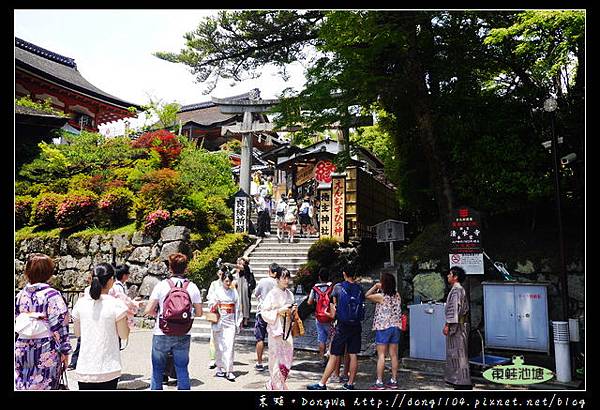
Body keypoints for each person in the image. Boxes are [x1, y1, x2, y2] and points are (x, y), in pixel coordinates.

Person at [144, 253, 203, 390]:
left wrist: (159, 314)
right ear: (186, 268)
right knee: (182, 368)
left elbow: (148, 310)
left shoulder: (161, 286)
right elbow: (199, 312)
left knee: (157, 370)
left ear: (170, 268)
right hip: (183, 332)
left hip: (161, 332)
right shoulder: (192, 287)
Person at [15, 253, 72, 390]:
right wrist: (65, 350)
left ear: (28, 272)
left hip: (21, 346)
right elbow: (60, 324)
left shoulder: (20, 295)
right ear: (48, 273)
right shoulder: (52, 295)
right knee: (45, 383)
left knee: (23, 384)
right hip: (45, 347)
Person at [71, 263, 129, 390]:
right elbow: (124, 335)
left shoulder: (81, 304)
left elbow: (77, 333)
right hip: (108, 367)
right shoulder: (116, 305)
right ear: (111, 281)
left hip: (85, 366)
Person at [307, 263, 365, 390]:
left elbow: (333, 314)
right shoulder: (360, 289)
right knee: (353, 354)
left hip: (342, 326)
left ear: (344, 274)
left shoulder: (338, 288)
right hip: (356, 325)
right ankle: (350, 384)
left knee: (334, 354)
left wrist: (327, 313)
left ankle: (322, 383)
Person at [260, 268, 296, 390]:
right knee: (275, 359)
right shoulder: (272, 294)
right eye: (283, 277)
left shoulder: (290, 294)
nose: (286, 280)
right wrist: (278, 311)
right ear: (277, 279)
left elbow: (292, 313)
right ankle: (277, 386)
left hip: (287, 330)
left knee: (287, 359)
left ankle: (273, 383)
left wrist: (292, 310)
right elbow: (264, 312)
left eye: (287, 277)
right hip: (276, 330)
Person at [365, 272, 402, 390]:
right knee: (394, 355)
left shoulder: (381, 296)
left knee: (381, 355)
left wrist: (375, 286)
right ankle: (394, 380)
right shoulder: (397, 295)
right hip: (395, 327)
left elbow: (367, 295)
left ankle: (379, 382)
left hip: (383, 327)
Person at [207, 271, 242, 381]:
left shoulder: (234, 292)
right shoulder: (217, 292)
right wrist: (215, 304)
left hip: (230, 321)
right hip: (219, 321)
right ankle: (219, 368)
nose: (228, 283)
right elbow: (210, 303)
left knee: (230, 346)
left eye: (229, 281)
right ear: (222, 281)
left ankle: (229, 370)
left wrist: (238, 322)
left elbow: (238, 308)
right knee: (219, 346)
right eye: (226, 281)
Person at [443, 266, 472, 390]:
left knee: (459, 353)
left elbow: (454, 310)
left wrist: (448, 324)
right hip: (460, 324)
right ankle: (456, 379)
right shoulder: (458, 289)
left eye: (450, 274)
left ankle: (463, 381)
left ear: (455, 277)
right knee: (456, 353)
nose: (448, 276)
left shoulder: (456, 290)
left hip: (458, 326)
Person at [253, 262, 280, 371]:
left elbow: (256, 293)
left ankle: (259, 363)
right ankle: (275, 363)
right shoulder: (279, 283)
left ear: (270, 271)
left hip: (263, 312)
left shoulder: (263, 281)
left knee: (260, 338)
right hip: (274, 314)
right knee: (275, 339)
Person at [307, 267, 334, 367]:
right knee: (332, 337)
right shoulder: (332, 287)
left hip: (319, 317)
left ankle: (322, 359)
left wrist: (316, 301)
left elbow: (309, 302)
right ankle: (330, 357)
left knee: (321, 339)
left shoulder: (315, 288)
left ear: (319, 277)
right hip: (330, 317)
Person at [207, 265, 228, 369]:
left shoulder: (229, 285)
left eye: (222, 274)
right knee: (213, 335)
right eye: (219, 274)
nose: (221, 276)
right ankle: (212, 358)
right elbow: (209, 297)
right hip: (216, 312)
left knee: (225, 337)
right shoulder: (214, 284)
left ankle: (223, 357)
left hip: (226, 314)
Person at [234, 257, 251, 328]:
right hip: (239, 286)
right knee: (239, 302)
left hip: (244, 285)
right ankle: (240, 318)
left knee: (245, 301)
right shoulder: (237, 270)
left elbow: (239, 267)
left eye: (241, 261)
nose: (239, 263)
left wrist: (228, 264)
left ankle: (246, 319)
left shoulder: (246, 267)